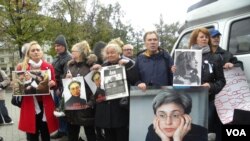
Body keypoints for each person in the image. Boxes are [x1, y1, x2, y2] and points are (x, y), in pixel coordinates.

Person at [91, 42, 145, 141]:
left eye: (113, 52)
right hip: (106, 107)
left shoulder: (126, 63)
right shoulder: (103, 67)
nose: (110, 55)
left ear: (118, 53)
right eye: (108, 53)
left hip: (120, 106)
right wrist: (94, 72)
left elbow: (135, 79)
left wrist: (127, 65)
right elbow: (95, 84)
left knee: (122, 134)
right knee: (109, 135)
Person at [188, 28, 226, 141]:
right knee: (191, 128)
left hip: (208, 100)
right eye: (201, 37)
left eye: (206, 37)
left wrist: (211, 86)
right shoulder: (185, 56)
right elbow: (178, 80)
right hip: (190, 98)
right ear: (195, 39)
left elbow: (221, 81)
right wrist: (176, 71)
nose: (204, 39)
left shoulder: (215, 58)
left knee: (205, 129)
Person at [16, 41, 58, 141]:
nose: (36, 52)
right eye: (33, 50)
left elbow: (54, 83)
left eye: (38, 50)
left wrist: (53, 83)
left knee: (45, 132)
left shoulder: (49, 66)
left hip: (45, 104)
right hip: (30, 104)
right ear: (28, 53)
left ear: (41, 52)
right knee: (32, 134)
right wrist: (16, 84)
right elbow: (18, 86)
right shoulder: (21, 67)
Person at [64, 40, 97, 141]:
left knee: (90, 134)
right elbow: (66, 87)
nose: (72, 52)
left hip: (86, 108)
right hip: (72, 108)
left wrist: (91, 103)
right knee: (72, 135)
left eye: (74, 51)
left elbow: (96, 87)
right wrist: (66, 79)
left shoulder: (91, 67)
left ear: (81, 53)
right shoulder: (70, 66)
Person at [51, 34, 72, 139]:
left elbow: (67, 75)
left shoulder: (68, 58)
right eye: (55, 46)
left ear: (64, 46)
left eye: (59, 45)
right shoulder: (57, 58)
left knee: (65, 111)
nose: (56, 48)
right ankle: (61, 130)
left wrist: (61, 89)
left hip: (62, 89)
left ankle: (67, 132)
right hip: (56, 88)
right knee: (59, 111)